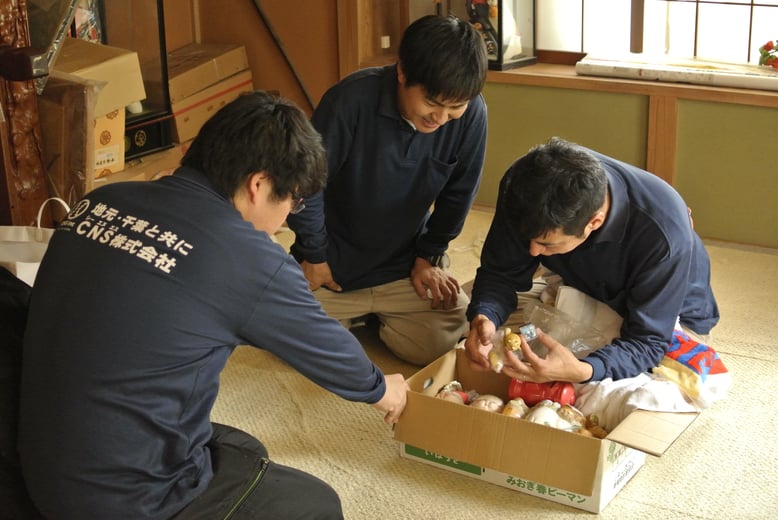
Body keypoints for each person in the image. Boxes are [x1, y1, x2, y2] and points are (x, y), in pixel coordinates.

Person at [17, 91, 407, 520]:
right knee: (315, 504)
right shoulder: (247, 258)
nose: (286, 219)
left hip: (39, 466)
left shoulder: (99, 202)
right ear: (258, 186)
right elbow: (328, 349)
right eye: (292, 202)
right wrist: (383, 389)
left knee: (245, 451)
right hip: (129, 500)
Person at [286, 14, 488, 366]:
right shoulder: (349, 101)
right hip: (334, 264)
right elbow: (307, 184)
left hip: (406, 264)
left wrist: (429, 255)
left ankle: (373, 316)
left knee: (442, 340)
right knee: (285, 336)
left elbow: (460, 193)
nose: (439, 118)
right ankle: (353, 314)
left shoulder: (471, 117)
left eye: (454, 107)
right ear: (402, 72)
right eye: (431, 102)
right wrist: (315, 257)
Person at [465, 136, 719, 383]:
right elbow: (500, 273)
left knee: (626, 393)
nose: (532, 252)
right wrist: (485, 315)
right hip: (581, 284)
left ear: (594, 222)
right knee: (476, 333)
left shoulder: (663, 233)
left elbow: (647, 342)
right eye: (528, 239)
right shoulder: (523, 185)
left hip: (665, 316)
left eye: (545, 243)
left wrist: (584, 370)